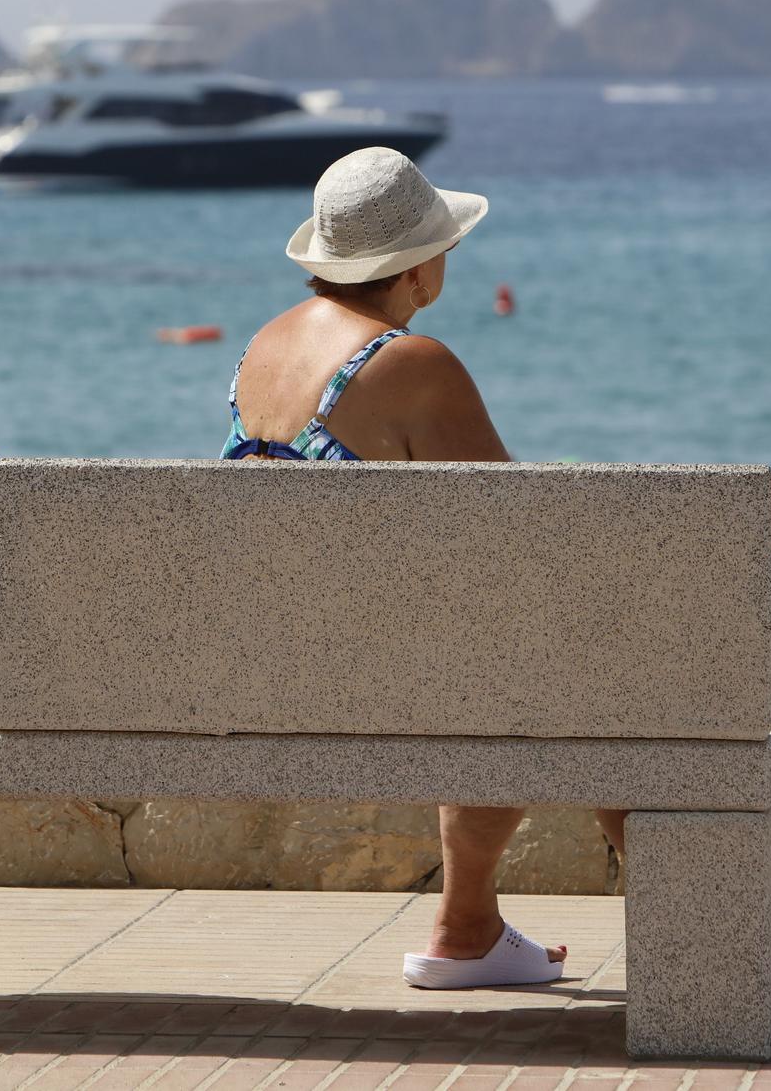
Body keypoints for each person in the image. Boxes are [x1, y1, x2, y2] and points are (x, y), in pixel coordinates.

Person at [222, 146, 625, 988]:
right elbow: (518, 532)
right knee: (600, 667)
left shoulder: (264, 346)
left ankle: (469, 926)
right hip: (372, 681)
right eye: (444, 244)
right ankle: (684, 924)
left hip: (259, 662)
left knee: (507, 655)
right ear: (415, 268)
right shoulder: (412, 363)